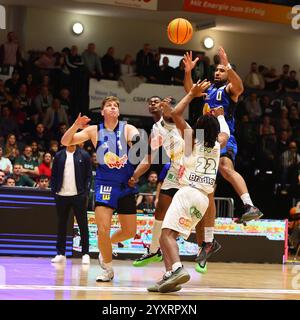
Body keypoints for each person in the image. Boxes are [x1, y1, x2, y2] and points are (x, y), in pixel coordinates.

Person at [183, 48, 263, 272]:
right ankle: (207, 243)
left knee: (226, 168)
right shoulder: (208, 89)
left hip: (222, 135)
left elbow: (240, 87)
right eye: (216, 70)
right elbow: (190, 91)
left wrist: (227, 64)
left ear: (228, 73)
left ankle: (249, 204)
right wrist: (188, 72)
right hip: (201, 138)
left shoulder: (229, 90)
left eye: (221, 70)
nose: (217, 72)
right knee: (204, 193)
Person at [147, 80, 230, 293]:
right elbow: (226, 133)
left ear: (199, 129)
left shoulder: (193, 140)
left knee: (165, 235)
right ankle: (168, 276)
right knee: (168, 236)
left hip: (188, 192)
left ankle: (176, 269)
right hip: (203, 200)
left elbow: (175, 114)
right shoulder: (218, 146)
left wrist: (192, 93)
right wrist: (220, 115)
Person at [60, 96, 140, 281]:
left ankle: (107, 245)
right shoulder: (94, 130)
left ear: (118, 112)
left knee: (129, 231)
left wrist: (139, 145)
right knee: (102, 229)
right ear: (102, 111)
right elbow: (66, 141)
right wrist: (75, 125)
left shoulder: (127, 128)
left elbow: (138, 145)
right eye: (108, 106)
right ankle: (108, 269)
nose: (112, 108)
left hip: (125, 184)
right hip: (105, 183)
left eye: (115, 106)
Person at [50, 145, 91, 264]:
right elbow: (54, 174)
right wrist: (54, 191)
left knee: (83, 225)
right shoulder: (59, 155)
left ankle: (85, 253)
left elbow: (89, 175)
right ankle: (61, 253)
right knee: (61, 224)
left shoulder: (84, 154)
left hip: (78, 195)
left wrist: (85, 192)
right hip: (61, 195)